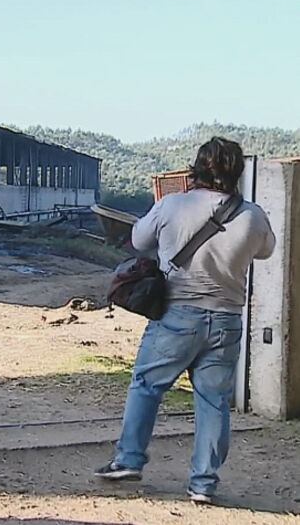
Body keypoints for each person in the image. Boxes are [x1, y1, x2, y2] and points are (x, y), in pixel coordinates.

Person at [93, 137, 276, 503]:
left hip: (176, 315)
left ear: (197, 168)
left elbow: (138, 239)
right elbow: (266, 250)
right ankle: (203, 484)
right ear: (237, 172)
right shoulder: (253, 215)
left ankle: (128, 460)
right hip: (226, 320)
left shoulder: (172, 204)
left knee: (147, 384)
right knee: (213, 400)